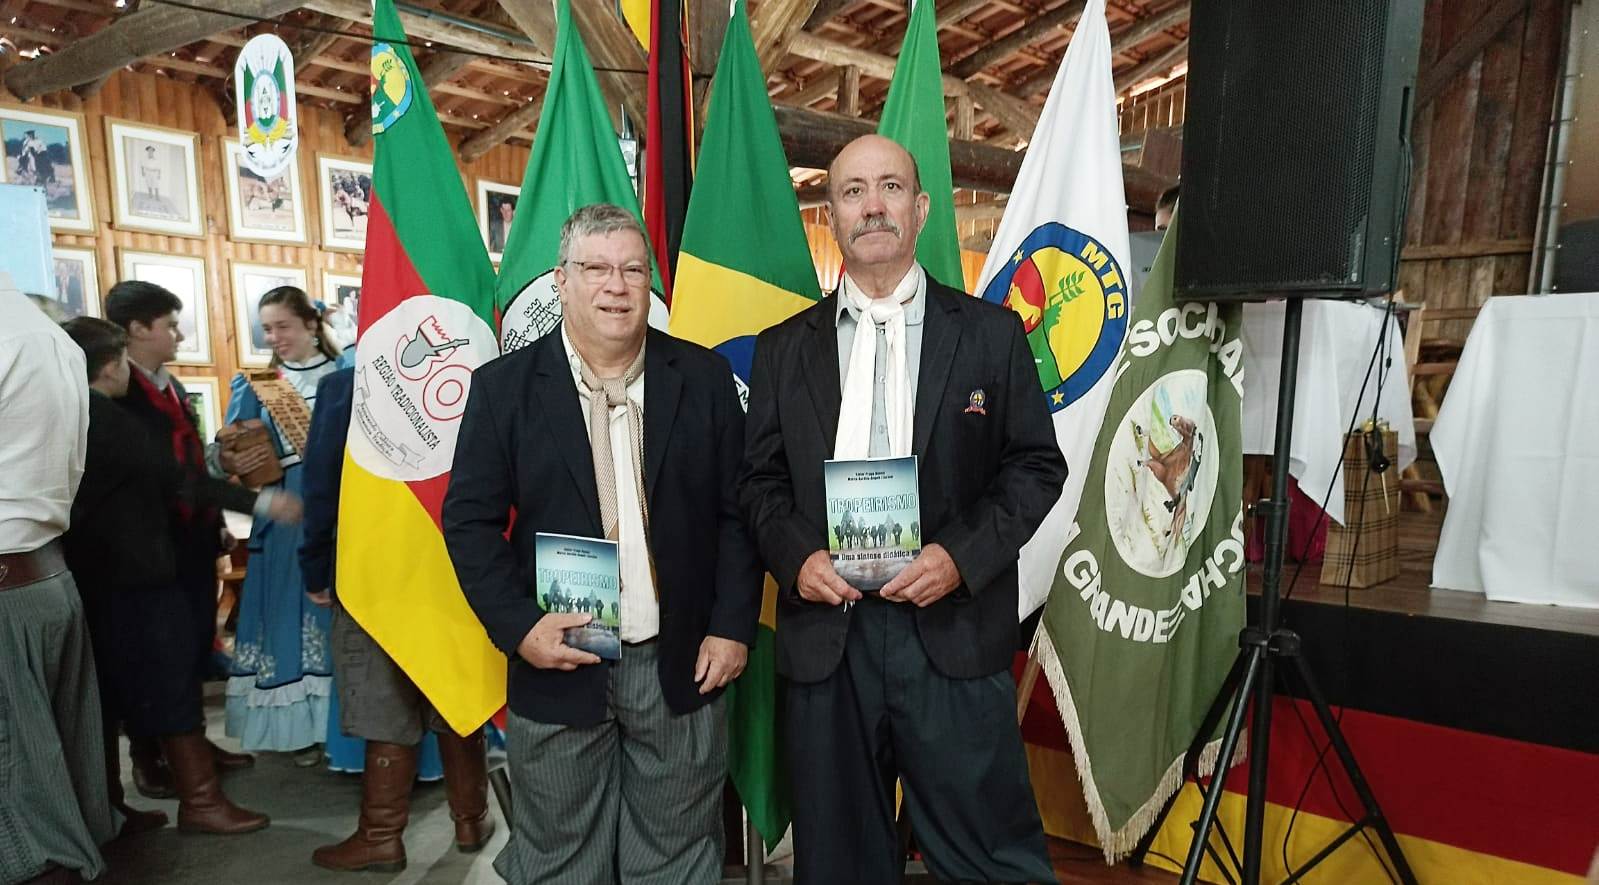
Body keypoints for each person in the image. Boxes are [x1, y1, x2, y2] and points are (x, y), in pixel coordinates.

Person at [739, 134, 1069, 884]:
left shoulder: (990, 334)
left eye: (890, 187)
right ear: (831, 215)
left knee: (991, 860)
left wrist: (959, 558)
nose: (873, 206)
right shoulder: (783, 348)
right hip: (829, 638)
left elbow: (1035, 466)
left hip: (952, 631)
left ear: (920, 209)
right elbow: (758, 482)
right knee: (838, 863)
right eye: (852, 191)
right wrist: (796, 558)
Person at [443, 203, 762, 884]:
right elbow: (468, 523)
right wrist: (518, 626)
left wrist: (732, 626)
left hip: (681, 662)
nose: (616, 286)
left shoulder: (703, 379)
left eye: (632, 270)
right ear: (561, 281)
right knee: (561, 860)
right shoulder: (503, 389)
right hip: (559, 657)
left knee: (678, 856)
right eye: (596, 269)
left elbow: (738, 513)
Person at [61, 317, 292, 838]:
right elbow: (176, 477)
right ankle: (200, 802)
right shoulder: (108, 418)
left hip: (99, 570)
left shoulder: (73, 413)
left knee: (109, 694)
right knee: (169, 681)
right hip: (136, 572)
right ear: (111, 365)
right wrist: (261, 503)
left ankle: (109, 809)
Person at [299, 360, 480, 873]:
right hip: (458, 565)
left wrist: (316, 564)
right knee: (455, 692)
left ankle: (380, 836)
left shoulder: (345, 385)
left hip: (373, 569)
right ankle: (471, 820)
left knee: (385, 698)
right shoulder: (476, 370)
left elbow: (321, 485)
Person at [105, 280, 258, 800]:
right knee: (155, 655)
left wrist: (215, 519)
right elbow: (162, 473)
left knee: (193, 643)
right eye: (170, 325)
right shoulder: (120, 394)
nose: (179, 335)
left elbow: (190, 458)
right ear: (136, 329)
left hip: (191, 538)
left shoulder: (168, 384)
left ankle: (191, 743)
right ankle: (149, 753)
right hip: (149, 545)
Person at [0, 276, 116, 884]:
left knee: (21, 801)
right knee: (56, 772)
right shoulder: (48, 335)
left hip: (10, 585)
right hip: (42, 572)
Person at [217, 286, 344, 764]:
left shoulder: (344, 373)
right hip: (288, 509)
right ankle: (301, 730)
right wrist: (233, 457)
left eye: (282, 326)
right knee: (290, 615)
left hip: (340, 506)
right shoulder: (257, 383)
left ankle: (342, 726)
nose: (274, 337)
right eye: (267, 329)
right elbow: (226, 457)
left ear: (311, 324)